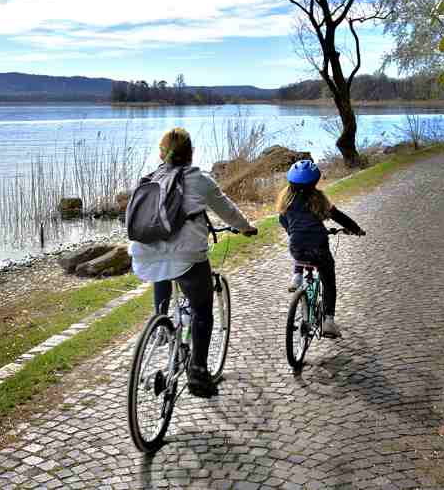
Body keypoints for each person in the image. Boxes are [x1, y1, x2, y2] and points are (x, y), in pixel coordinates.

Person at [129, 127, 257, 397]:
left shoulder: (148, 179)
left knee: (162, 271)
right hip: (187, 258)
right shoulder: (200, 180)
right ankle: (198, 371)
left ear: (161, 154)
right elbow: (227, 211)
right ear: (191, 154)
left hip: (143, 252)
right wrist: (246, 228)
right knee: (202, 310)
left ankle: (160, 324)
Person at [276, 159, 365, 338]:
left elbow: (282, 220)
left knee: (300, 249)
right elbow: (339, 217)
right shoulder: (319, 199)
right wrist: (356, 229)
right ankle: (329, 321)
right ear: (314, 182)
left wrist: (291, 231)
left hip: (296, 247)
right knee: (328, 281)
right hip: (319, 248)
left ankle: (297, 275)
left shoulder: (286, 200)